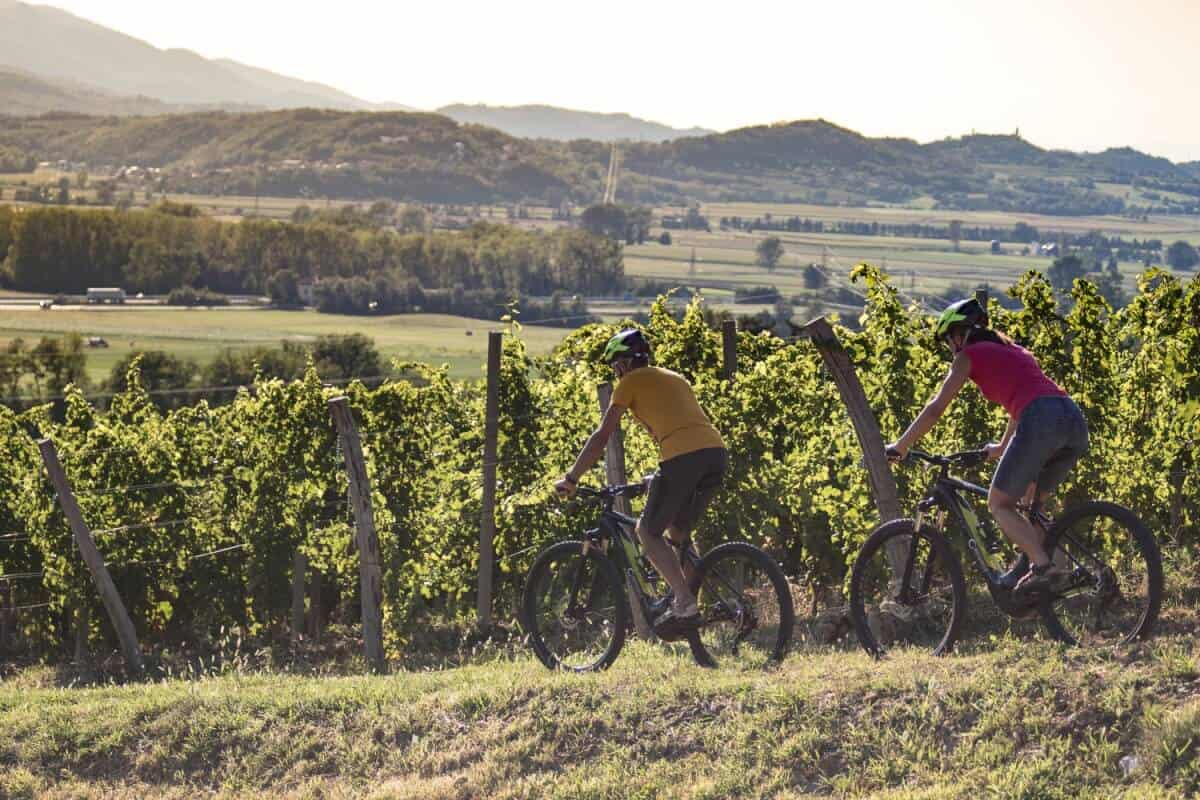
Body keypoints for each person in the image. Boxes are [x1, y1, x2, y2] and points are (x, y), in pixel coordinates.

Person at [885, 297, 1089, 597]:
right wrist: (1003, 445)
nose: (951, 347)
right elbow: (1024, 400)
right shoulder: (1014, 350)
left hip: (1041, 420)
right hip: (1072, 420)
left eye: (949, 339)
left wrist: (902, 445)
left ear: (960, 333)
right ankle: (1065, 585)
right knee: (1032, 507)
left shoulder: (968, 355)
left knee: (998, 504)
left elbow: (935, 408)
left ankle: (1045, 569)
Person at [555, 328, 728, 635]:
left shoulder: (628, 383)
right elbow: (681, 426)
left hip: (682, 458)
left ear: (622, 364)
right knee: (679, 534)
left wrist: (572, 478)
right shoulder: (675, 378)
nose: (615, 372)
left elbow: (602, 437)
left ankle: (685, 600)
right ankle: (689, 607)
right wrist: (658, 476)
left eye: (614, 366)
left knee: (646, 533)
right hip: (715, 455)